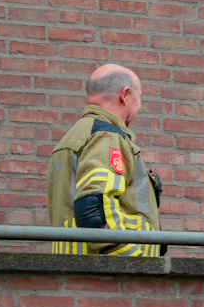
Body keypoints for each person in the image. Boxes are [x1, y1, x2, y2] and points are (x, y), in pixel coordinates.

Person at [48, 64, 160, 257]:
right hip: (111, 272)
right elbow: (96, 207)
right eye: (139, 97)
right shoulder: (106, 136)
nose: (139, 105)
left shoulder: (74, 137)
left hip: (77, 269)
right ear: (125, 95)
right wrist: (135, 260)